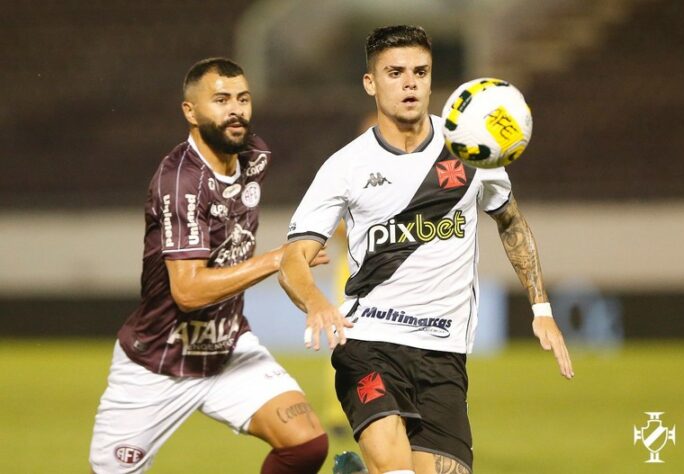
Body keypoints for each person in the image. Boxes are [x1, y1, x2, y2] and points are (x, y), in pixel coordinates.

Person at [278, 26, 574, 474]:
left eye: (420, 71)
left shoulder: (473, 149)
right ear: (370, 83)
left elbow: (510, 221)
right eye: (395, 72)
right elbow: (292, 259)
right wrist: (316, 301)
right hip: (369, 344)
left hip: (444, 354)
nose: (410, 83)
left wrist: (541, 307)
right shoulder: (345, 167)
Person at [89, 58, 329, 474]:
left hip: (227, 349)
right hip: (159, 361)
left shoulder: (255, 155)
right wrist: (278, 258)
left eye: (243, 98)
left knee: (306, 444)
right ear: (190, 111)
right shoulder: (180, 182)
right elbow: (189, 291)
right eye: (221, 100)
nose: (236, 109)